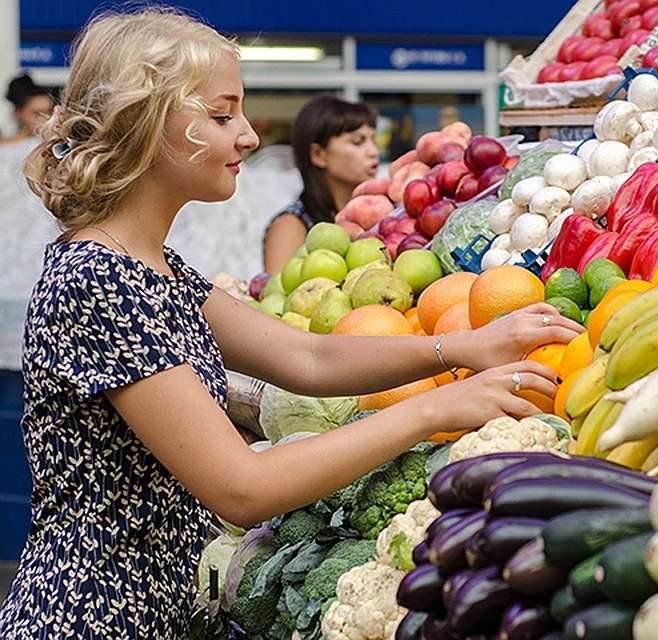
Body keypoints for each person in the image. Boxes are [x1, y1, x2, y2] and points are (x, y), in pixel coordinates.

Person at [0, 9, 581, 639]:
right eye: (222, 115)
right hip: (95, 619)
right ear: (146, 126)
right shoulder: (99, 280)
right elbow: (241, 488)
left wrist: (464, 344)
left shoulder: (154, 267)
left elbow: (309, 360)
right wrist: (432, 411)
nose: (248, 136)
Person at [263, 94, 381, 273]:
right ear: (318, 154)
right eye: (358, 142)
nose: (373, 151)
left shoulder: (380, 215)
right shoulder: (291, 225)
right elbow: (275, 294)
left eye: (373, 140)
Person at [1, 73, 53, 145]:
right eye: (37, 113)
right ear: (18, 112)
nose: (45, 118)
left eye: (49, 112)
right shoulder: (6, 146)